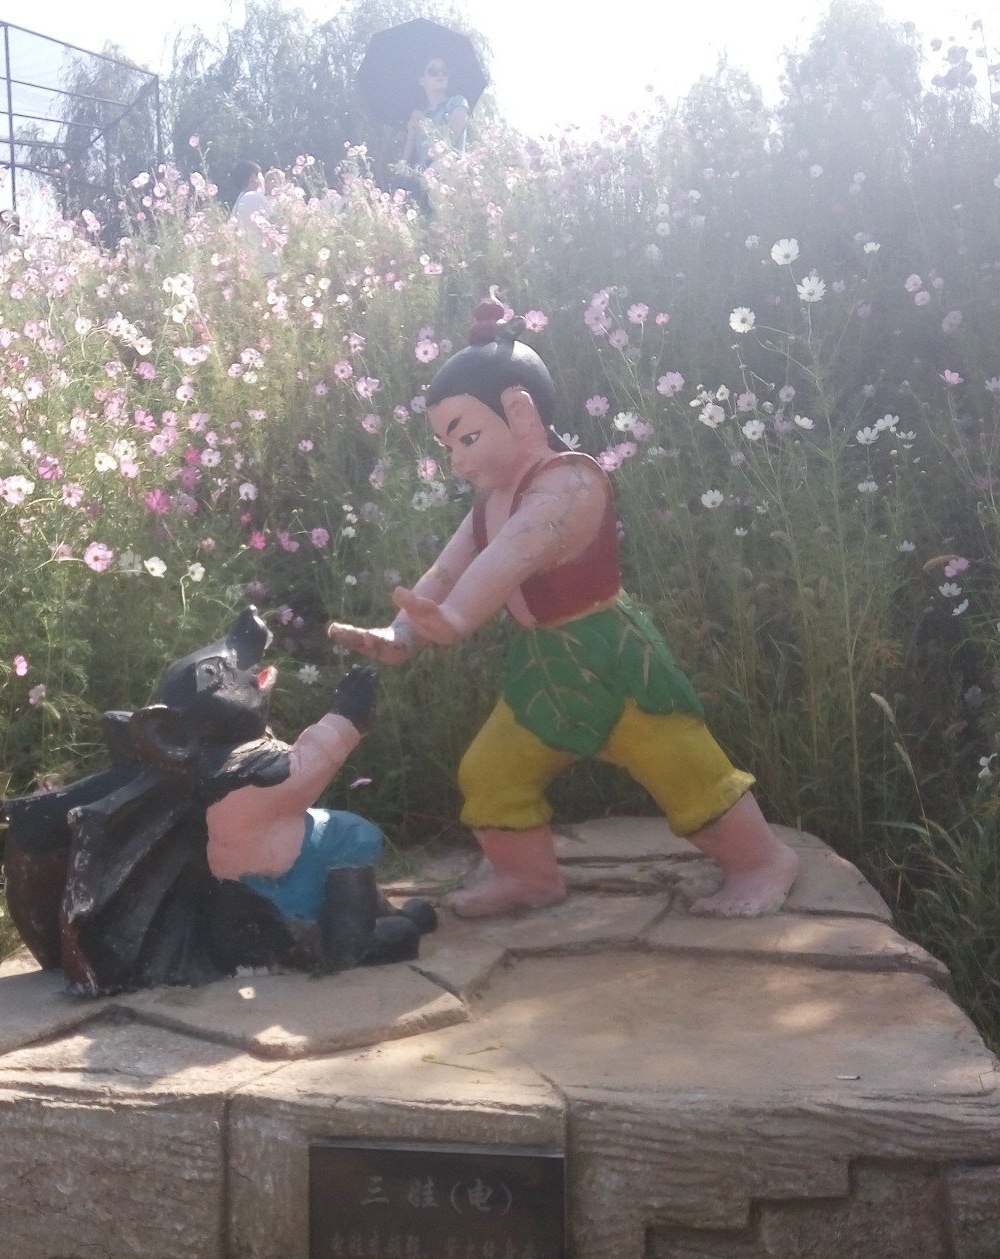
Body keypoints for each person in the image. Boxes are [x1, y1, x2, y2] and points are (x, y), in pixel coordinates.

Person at [328, 298, 800, 919]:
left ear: (520, 412)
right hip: (545, 666)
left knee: (685, 766)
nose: (458, 459)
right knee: (492, 772)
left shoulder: (571, 483)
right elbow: (447, 570)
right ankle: (528, 878)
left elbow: (512, 556)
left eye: (467, 437)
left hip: (614, 657)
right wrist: (402, 633)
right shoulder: (493, 497)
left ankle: (761, 861)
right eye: (448, 445)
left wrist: (458, 618)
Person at [402, 56, 470, 171]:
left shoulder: (458, 102)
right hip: (425, 178)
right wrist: (411, 136)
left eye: (444, 71)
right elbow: (403, 165)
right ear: (422, 80)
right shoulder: (420, 116)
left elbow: (448, 142)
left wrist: (426, 124)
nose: (440, 74)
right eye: (433, 71)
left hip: (451, 175)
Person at [229, 160, 280, 276]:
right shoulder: (256, 197)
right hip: (265, 265)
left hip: (249, 266)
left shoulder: (239, 200)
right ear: (253, 178)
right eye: (260, 175)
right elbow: (277, 223)